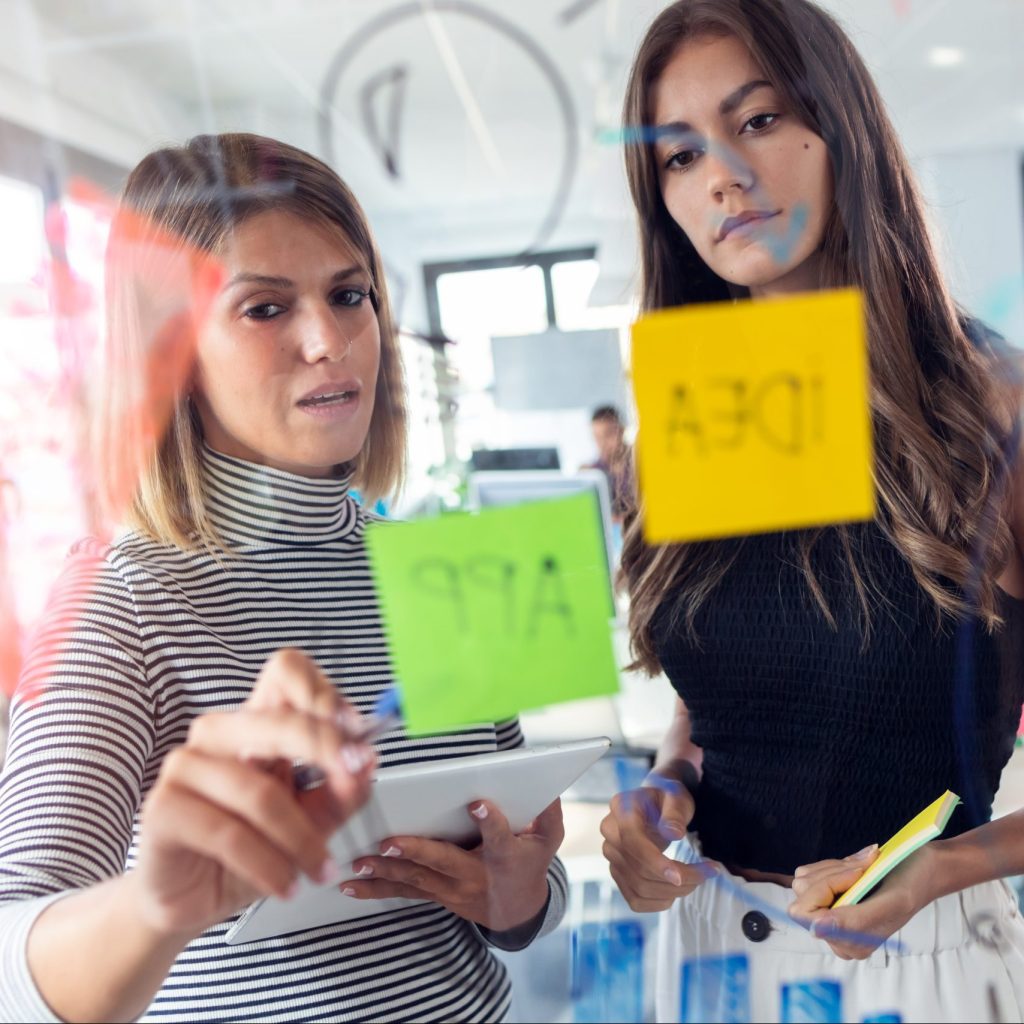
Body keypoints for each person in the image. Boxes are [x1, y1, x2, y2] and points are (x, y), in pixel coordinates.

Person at [0, 133, 566, 1023]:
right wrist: (155, 907)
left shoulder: (438, 566)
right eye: (266, 309)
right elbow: (11, 956)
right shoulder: (114, 599)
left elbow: (524, 877)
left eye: (350, 295)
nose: (329, 341)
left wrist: (521, 897)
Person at [599, 1, 1024, 1020]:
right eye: (676, 157)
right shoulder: (702, 409)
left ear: (841, 129)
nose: (720, 176)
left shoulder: (987, 406)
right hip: (711, 952)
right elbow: (737, 688)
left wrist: (935, 871)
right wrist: (664, 790)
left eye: (755, 120)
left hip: (912, 961)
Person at [582, 405, 633, 523]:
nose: (602, 443)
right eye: (597, 437)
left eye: (608, 435)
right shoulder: (592, 472)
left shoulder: (641, 465)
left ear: (622, 430)